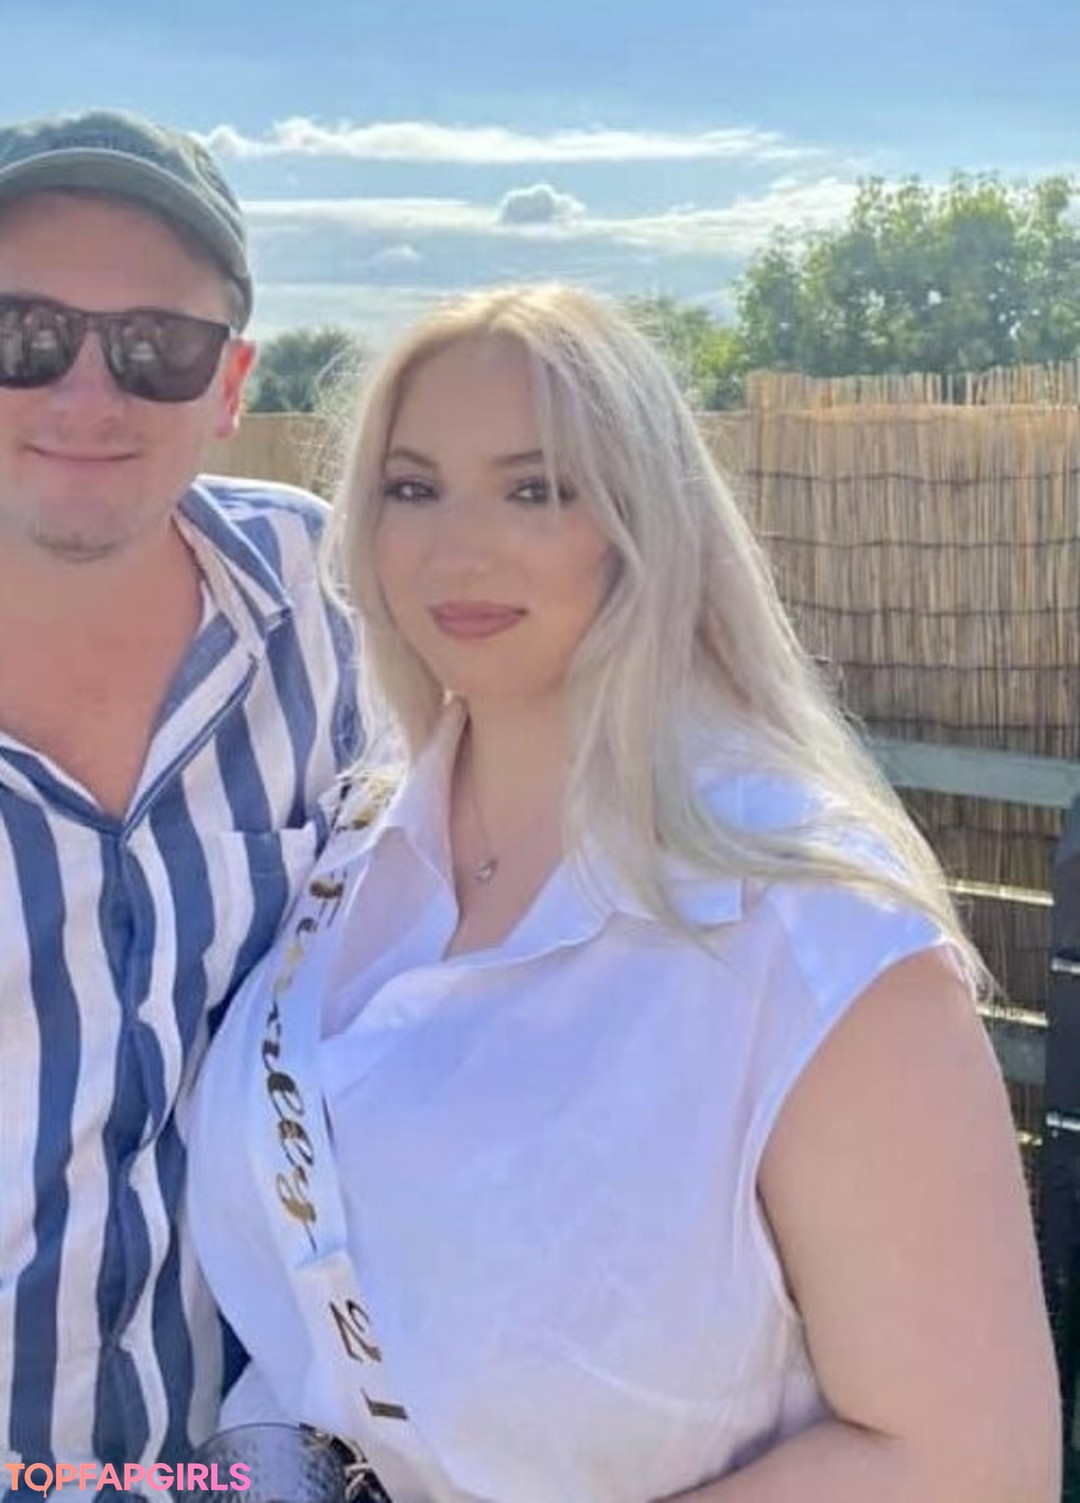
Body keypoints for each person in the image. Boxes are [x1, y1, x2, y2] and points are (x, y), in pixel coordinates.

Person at [189, 285, 1060, 1503]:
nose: (458, 549)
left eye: (537, 489)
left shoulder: (814, 934)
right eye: (412, 487)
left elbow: (969, 1463)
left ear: (648, 517)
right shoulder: (351, 841)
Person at [0, 110, 359, 1480]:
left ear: (231, 384)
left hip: (256, 1455)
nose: (90, 398)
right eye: (23, 333)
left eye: (157, 346)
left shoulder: (334, 608)